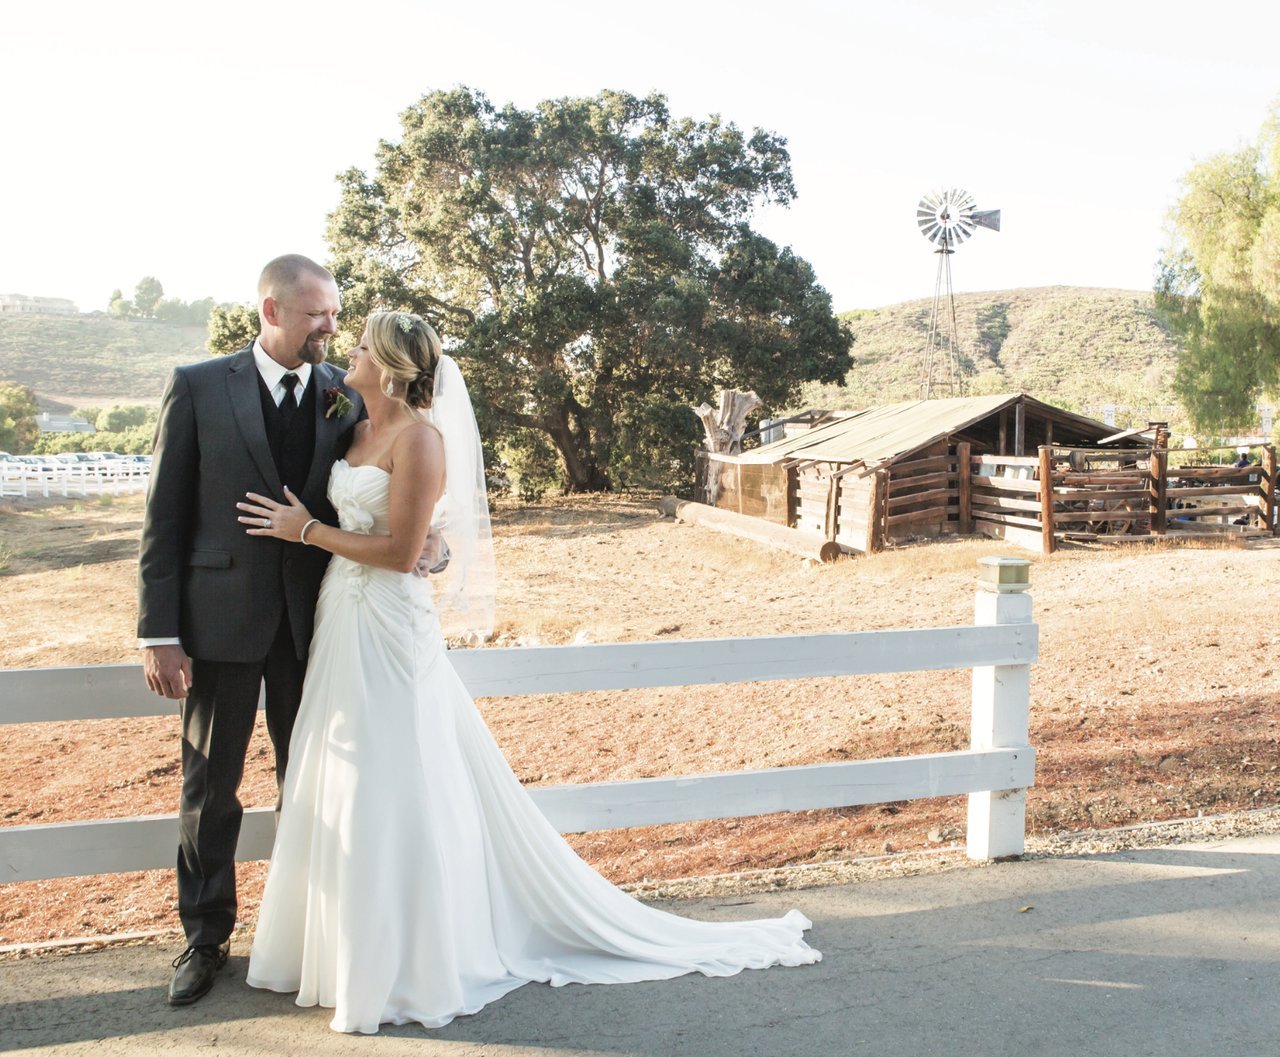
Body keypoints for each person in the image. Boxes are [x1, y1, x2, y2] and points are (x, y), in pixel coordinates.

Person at [239, 311, 820, 1034]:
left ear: (387, 365)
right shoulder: (352, 425)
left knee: (397, 774)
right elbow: (422, 538)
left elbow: (398, 550)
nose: (346, 355)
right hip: (343, 617)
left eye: (359, 346)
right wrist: (420, 544)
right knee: (344, 773)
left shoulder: (421, 439)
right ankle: (336, 948)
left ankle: (414, 956)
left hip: (389, 620)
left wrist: (309, 530)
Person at [137, 255, 367, 1007]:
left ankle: (309, 932)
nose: (331, 327)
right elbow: (164, 518)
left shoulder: (344, 394)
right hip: (217, 625)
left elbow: (375, 489)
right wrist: (158, 633)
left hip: (316, 626)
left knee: (311, 784)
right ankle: (205, 938)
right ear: (271, 311)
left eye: (334, 312)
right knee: (212, 788)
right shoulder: (199, 386)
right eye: (316, 315)